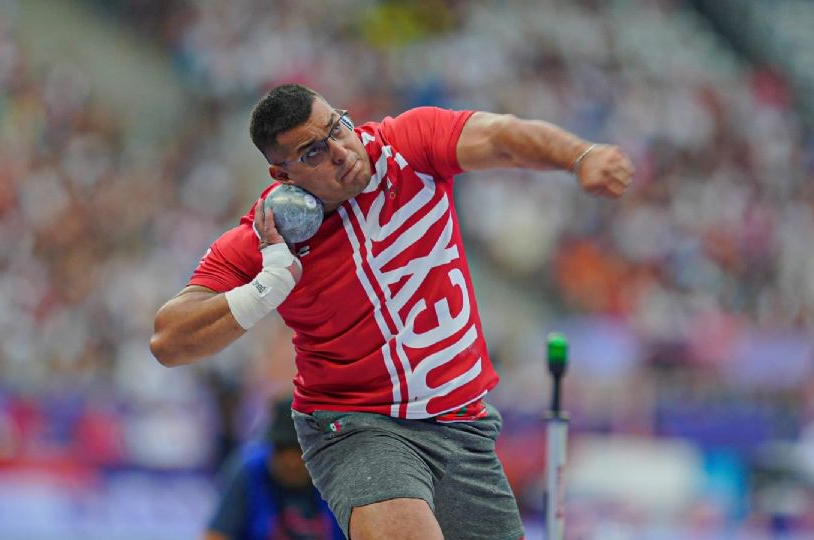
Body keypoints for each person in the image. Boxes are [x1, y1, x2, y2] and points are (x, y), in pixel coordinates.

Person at [151, 83, 633, 539]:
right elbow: (168, 341)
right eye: (313, 153)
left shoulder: (409, 146)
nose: (341, 151)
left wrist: (579, 155)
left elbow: (500, 136)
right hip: (358, 424)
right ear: (283, 175)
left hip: (461, 423)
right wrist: (264, 288)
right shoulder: (271, 234)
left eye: (336, 128)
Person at [204, 397, 344, 540]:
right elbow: (216, 535)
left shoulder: (336, 473)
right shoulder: (249, 470)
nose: (291, 462)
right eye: (281, 448)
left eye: (300, 450)